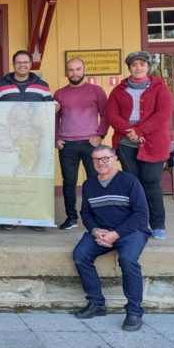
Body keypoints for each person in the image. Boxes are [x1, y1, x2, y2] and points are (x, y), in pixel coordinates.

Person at [72, 145, 151, 331]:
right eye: (97, 159)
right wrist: (95, 230)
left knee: (128, 259)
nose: (101, 162)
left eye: (105, 158)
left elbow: (141, 215)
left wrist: (116, 234)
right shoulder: (89, 184)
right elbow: (86, 214)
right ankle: (96, 303)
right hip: (102, 232)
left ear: (114, 158)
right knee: (80, 255)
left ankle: (134, 312)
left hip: (132, 232)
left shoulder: (129, 181)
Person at [105, 51, 174, 240]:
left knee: (151, 183)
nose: (138, 68)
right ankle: (138, 224)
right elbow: (111, 114)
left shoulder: (161, 87)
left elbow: (163, 114)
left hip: (154, 141)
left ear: (148, 67)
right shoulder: (118, 90)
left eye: (142, 64)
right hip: (127, 143)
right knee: (134, 185)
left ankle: (158, 224)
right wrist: (130, 131)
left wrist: (140, 131)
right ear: (129, 68)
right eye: (134, 65)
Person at [0, 50, 53, 231]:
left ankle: (34, 218)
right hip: (10, 140)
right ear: (13, 65)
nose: (22, 65)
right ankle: (8, 217)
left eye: (25, 62)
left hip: (34, 140)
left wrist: (53, 108)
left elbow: (48, 112)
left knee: (33, 177)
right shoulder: (0, 85)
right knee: (10, 177)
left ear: (30, 64)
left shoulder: (42, 86)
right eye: (18, 63)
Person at [54, 58, 109, 230]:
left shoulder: (96, 91)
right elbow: (55, 118)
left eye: (78, 69)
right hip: (67, 144)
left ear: (84, 70)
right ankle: (71, 218)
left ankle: (97, 217)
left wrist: (100, 135)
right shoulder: (59, 94)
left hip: (90, 143)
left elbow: (106, 114)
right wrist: (55, 137)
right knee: (69, 181)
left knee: (94, 180)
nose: (74, 73)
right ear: (66, 71)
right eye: (71, 70)